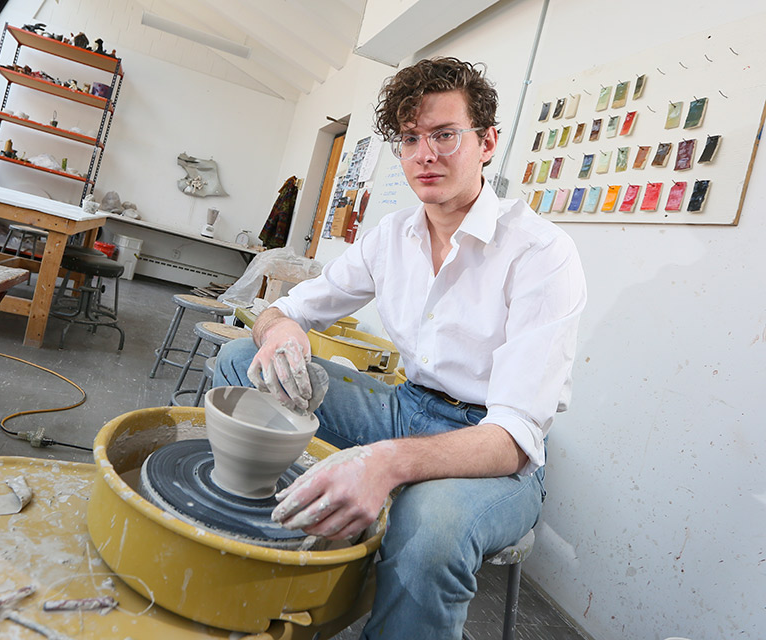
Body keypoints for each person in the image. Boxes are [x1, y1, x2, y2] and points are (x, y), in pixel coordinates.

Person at [213, 57, 586, 639]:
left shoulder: (541, 253)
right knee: (243, 364)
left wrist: (384, 462)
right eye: (411, 138)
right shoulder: (391, 236)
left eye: (444, 134)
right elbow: (283, 309)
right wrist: (282, 327)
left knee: (428, 531)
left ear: (487, 142)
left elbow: (513, 438)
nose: (424, 154)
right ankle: (263, 545)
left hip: (492, 450)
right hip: (405, 407)